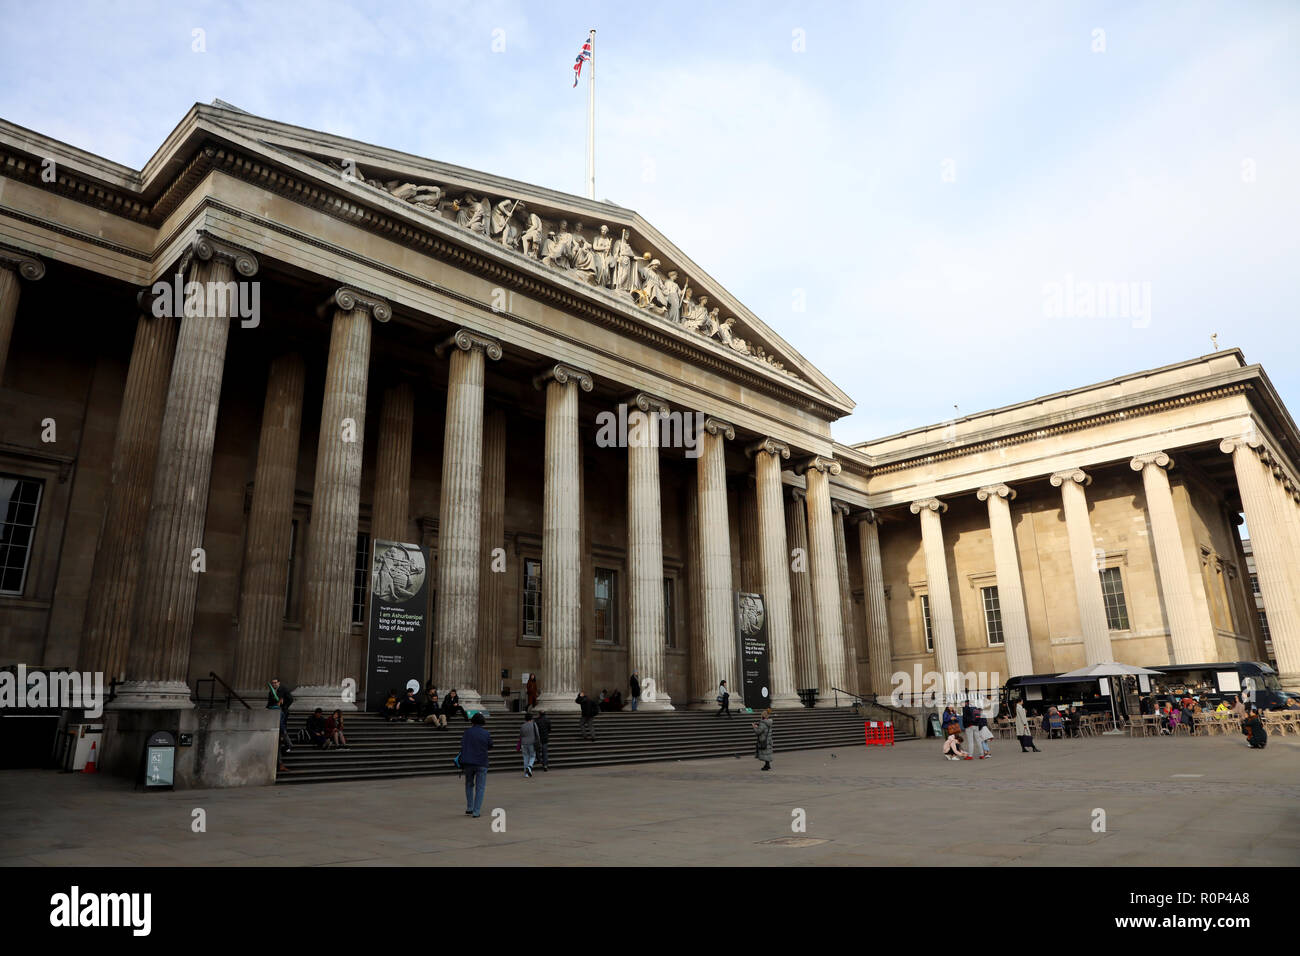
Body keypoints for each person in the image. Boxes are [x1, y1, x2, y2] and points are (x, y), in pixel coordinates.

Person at [457, 713, 493, 817]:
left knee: (469, 784)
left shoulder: (467, 732)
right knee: (480, 787)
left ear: (472, 721)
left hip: (468, 762)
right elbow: (490, 745)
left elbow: (462, 744)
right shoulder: (486, 733)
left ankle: (469, 807)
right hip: (481, 762)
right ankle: (476, 811)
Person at [519, 712, 539, 777]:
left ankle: (526, 773)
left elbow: (521, 735)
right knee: (532, 756)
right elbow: (537, 734)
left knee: (525, 757)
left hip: (524, 743)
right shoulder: (534, 724)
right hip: (532, 742)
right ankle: (529, 767)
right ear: (531, 718)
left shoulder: (522, 725)